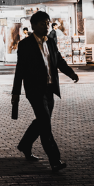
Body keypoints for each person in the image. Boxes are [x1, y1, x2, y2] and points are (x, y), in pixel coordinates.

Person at [11, 11, 79, 172]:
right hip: (35, 90)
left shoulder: (51, 42)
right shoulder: (25, 45)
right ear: (33, 25)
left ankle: (25, 145)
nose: (47, 26)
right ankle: (55, 160)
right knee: (45, 124)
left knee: (41, 121)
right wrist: (16, 92)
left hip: (50, 89)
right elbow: (20, 70)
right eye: (43, 23)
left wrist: (71, 73)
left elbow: (59, 61)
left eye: (48, 23)